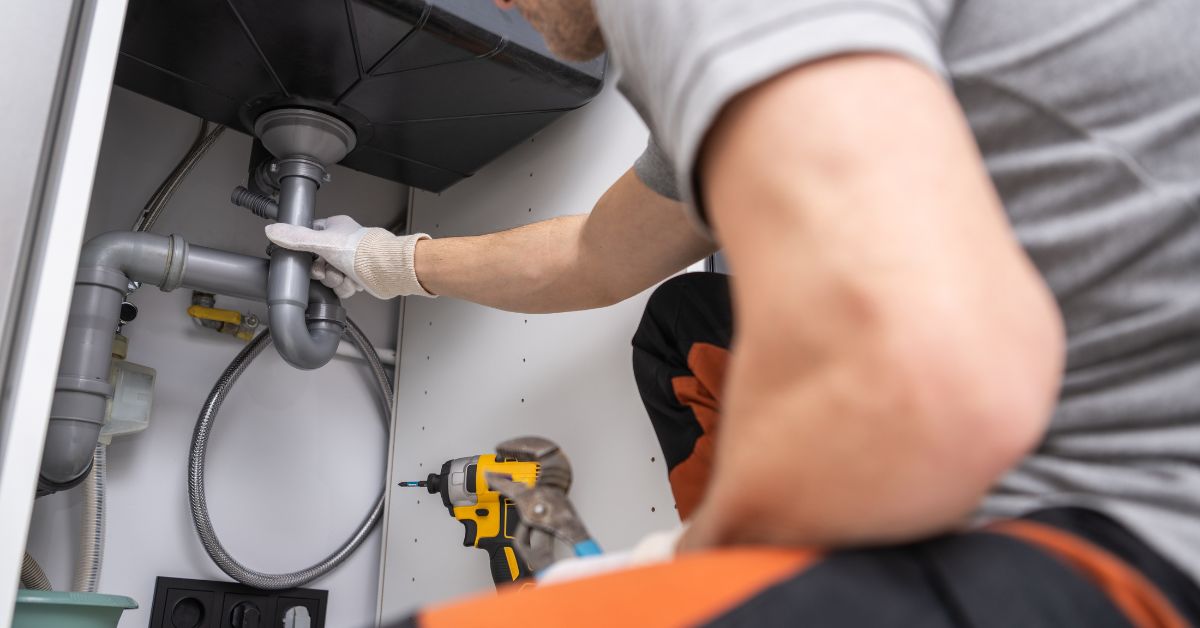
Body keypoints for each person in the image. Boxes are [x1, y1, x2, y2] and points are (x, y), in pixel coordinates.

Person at [265, 0, 1200, 624]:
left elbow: (924, 371)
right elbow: (598, 253)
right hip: (1081, 464)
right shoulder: (792, 42)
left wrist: (680, 566)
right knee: (686, 327)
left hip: (1137, 543)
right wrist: (384, 261)